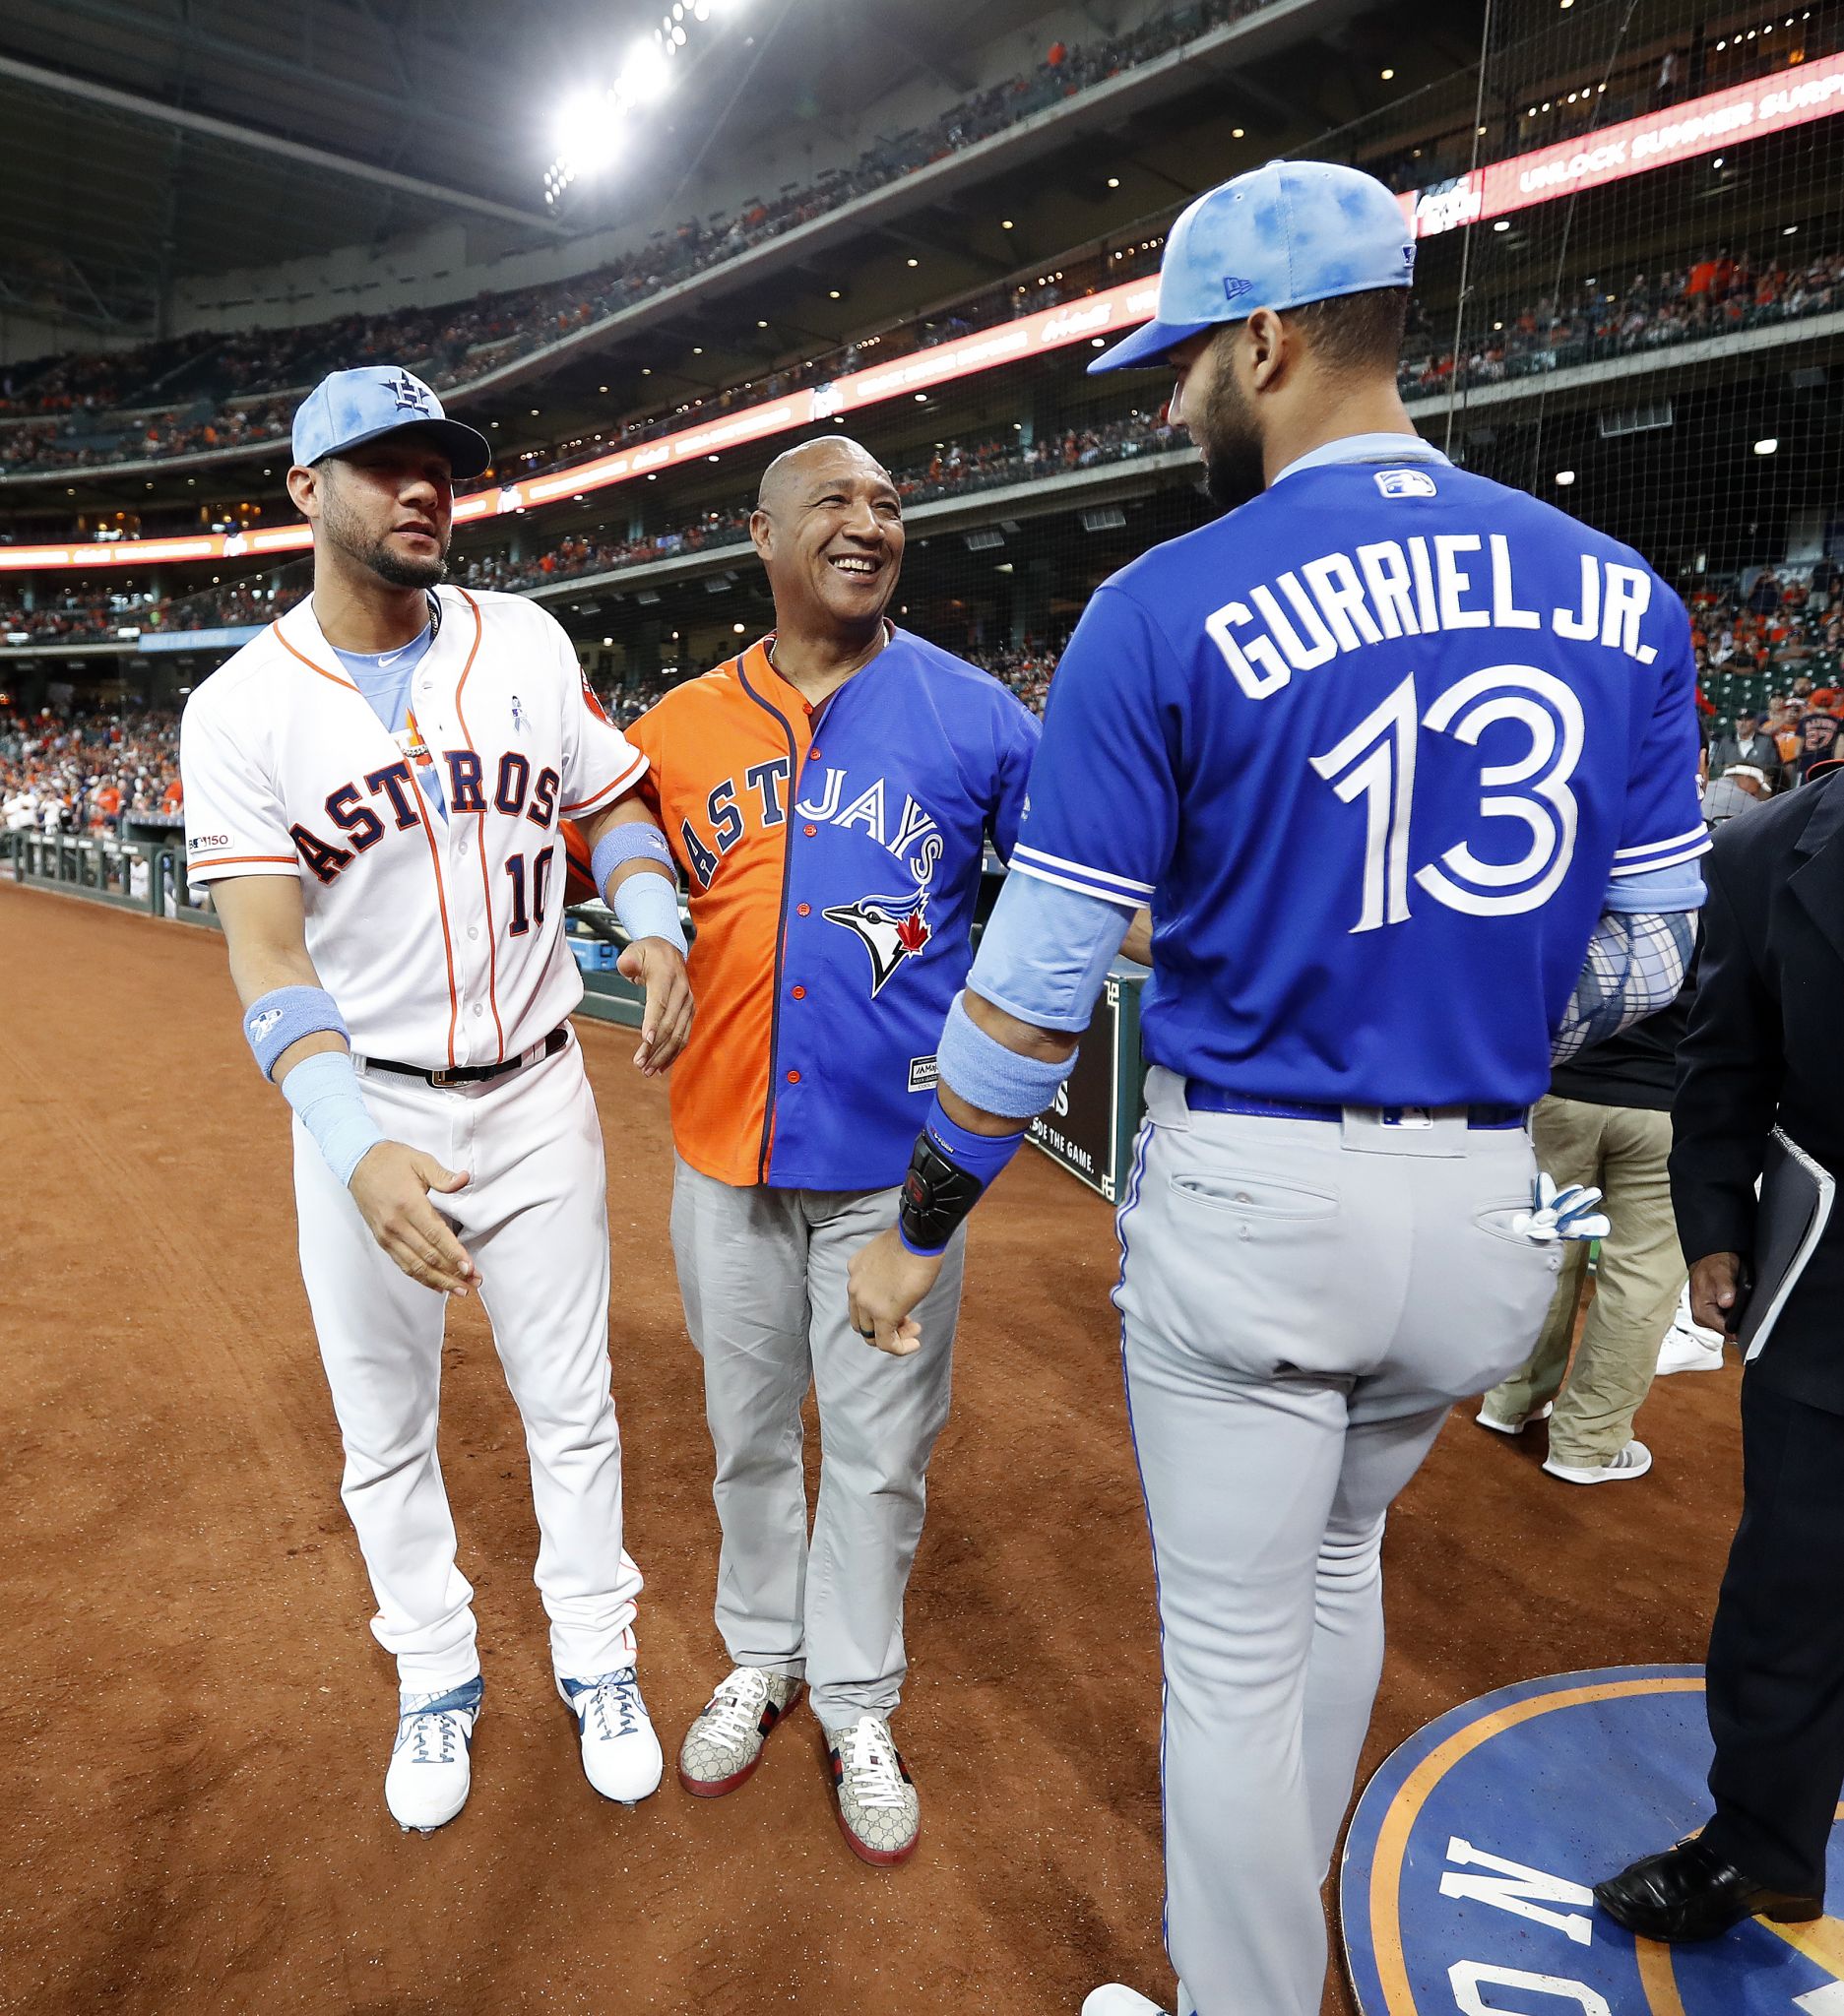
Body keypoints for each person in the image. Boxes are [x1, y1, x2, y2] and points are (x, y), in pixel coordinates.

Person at [845, 158, 1708, 2016]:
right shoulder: (1623, 587)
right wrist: (1451, 1008)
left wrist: (924, 1214)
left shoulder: (1163, 601)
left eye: (1181, 363)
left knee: (1229, 1655)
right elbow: (1649, 958)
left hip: (1254, 1196)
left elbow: (1033, 984)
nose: (1167, 404)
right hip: (1484, 1204)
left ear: (1270, 335)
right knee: (1333, 1573)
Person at [178, 365, 693, 1834]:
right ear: (304, 493)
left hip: (539, 1096)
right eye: (383, 462)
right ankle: (437, 1672)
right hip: (372, 1104)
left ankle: (595, 1655)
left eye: (441, 465)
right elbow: (269, 957)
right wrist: (352, 1148)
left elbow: (610, 801)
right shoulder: (240, 709)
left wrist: (649, 910)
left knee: (572, 1409)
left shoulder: (522, 638)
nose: (424, 488)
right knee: (385, 1427)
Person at [622, 434, 1038, 1862]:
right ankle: (761, 1652)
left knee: (875, 1454)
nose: (869, 523)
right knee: (746, 1437)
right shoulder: (676, 726)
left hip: (892, 1176)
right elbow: (616, 847)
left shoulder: (980, 719)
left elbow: (1074, 903)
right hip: (721, 1156)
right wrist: (650, 931)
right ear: (762, 537)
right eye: (835, 504)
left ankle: (857, 1692)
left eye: (889, 505)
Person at [1597, 755, 1844, 1941]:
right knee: (1790, 1584)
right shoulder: (1760, 850)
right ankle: (1759, 1846)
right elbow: (1724, 1059)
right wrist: (1712, 1224)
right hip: (1834, 1269)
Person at [1476, 980, 1694, 1482]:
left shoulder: (1579, 894)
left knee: (1543, 1248)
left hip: (1563, 1092)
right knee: (1641, 1279)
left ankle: (1511, 1401)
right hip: (1668, 1106)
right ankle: (1586, 1446)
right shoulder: (1727, 902)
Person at [1707, 707, 1783, 793]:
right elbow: (1718, 765)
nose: (1743, 723)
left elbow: (1776, 767)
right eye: (1739, 720)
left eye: (1747, 720)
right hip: (1729, 790)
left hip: (1758, 790)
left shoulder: (1766, 741)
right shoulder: (1726, 741)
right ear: (1735, 723)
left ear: (1755, 722)